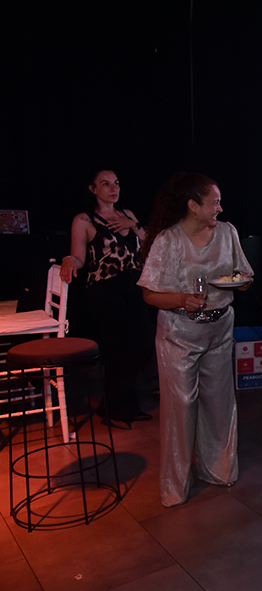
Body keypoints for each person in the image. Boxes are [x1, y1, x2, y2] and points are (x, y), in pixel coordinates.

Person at [137, 172, 254, 507]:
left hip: (220, 329)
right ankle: (175, 486)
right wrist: (181, 299)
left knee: (219, 404)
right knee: (180, 409)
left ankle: (218, 470)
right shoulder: (169, 240)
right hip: (180, 333)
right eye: (214, 202)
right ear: (193, 205)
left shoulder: (227, 233)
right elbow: (149, 294)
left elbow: (244, 276)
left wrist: (241, 281)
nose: (220, 208)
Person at [59, 169, 153, 427]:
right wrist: (69, 260)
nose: (113, 188)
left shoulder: (127, 214)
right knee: (117, 351)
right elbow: (78, 256)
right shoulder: (84, 219)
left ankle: (111, 406)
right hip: (105, 289)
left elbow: (150, 244)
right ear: (93, 189)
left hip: (134, 286)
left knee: (143, 344)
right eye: (106, 184)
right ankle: (121, 408)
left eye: (116, 183)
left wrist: (133, 225)